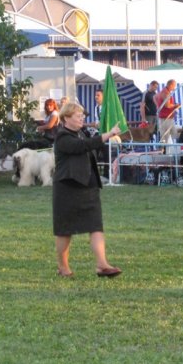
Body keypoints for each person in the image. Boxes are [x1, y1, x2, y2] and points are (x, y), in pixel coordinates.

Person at [53, 102, 122, 278]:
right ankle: (63, 267)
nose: (82, 118)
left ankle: (102, 265)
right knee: (65, 230)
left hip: (88, 187)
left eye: (83, 115)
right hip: (68, 189)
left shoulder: (81, 133)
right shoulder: (62, 137)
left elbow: (90, 146)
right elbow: (83, 147)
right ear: (66, 118)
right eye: (78, 116)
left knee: (95, 225)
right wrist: (108, 134)